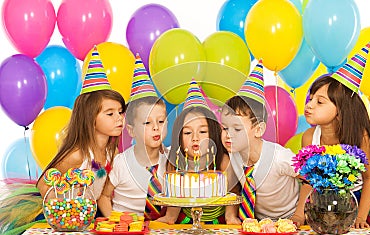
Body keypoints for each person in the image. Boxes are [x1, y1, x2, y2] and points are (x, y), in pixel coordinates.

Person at [292, 43, 370, 229]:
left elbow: (369, 178)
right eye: (311, 99)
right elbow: (308, 181)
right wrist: (298, 213)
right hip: (322, 201)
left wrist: (360, 217)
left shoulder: (360, 137)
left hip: (357, 200)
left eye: (320, 102)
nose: (309, 105)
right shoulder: (309, 137)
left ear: (340, 111)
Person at [37, 46, 126, 204]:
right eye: (110, 113)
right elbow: (43, 184)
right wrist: (62, 209)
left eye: (120, 112)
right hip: (68, 218)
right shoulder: (77, 155)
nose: (119, 118)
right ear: (90, 118)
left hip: (90, 216)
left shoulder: (112, 153)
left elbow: (102, 194)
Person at [220, 60, 300, 223]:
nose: (228, 135)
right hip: (258, 223)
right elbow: (234, 186)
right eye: (224, 128)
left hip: (290, 220)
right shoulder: (233, 154)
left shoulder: (279, 157)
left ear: (259, 130)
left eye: (237, 129)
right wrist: (230, 215)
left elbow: (311, 179)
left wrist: (299, 216)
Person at [157, 79, 239, 225]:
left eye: (202, 131)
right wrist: (170, 217)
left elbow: (233, 193)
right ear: (179, 137)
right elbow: (175, 200)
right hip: (186, 222)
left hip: (217, 222)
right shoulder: (175, 162)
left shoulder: (223, 161)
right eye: (188, 133)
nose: (195, 138)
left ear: (212, 133)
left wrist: (230, 217)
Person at [97, 54, 168, 220]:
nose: (156, 128)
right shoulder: (121, 162)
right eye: (147, 123)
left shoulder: (172, 159)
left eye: (161, 121)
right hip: (127, 233)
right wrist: (116, 222)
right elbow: (104, 196)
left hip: (161, 231)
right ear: (131, 130)